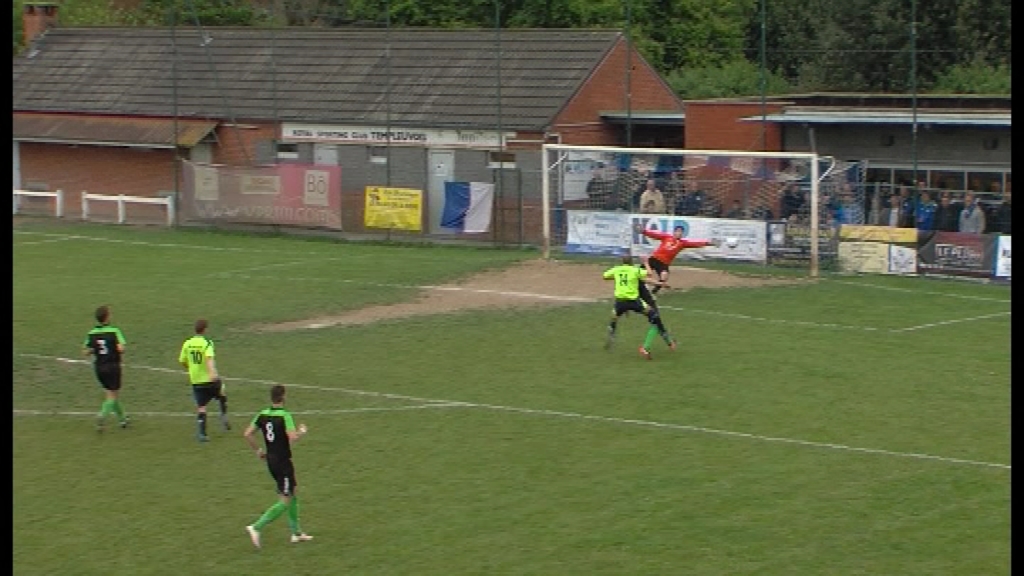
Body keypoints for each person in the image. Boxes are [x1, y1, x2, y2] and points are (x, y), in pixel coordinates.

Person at [244, 385, 313, 548]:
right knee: (285, 499)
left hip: (271, 460)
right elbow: (292, 438)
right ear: (283, 397)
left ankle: (296, 533)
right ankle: (256, 527)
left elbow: (247, 434)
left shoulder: (263, 414)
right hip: (283, 462)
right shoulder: (285, 416)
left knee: (293, 491)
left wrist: (258, 451)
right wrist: (301, 431)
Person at [602, 255, 669, 360]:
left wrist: (616, 277)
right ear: (631, 262)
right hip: (634, 301)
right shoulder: (635, 270)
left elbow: (605, 276)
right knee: (654, 317)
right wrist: (646, 262)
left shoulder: (616, 269)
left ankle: (612, 329)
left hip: (620, 302)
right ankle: (646, 347)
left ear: (622, 262)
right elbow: (649, 274)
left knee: (615, 315)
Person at [178, 319, 229, 442]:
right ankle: (223, 416)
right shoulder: (207, 343)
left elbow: (182, 361)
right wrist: (213, 375)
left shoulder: (187, 343)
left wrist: (190, 368)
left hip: (196, 380)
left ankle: (202, 434)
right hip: (209, 379)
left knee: (201, 407)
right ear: (205, 330)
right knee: (222, 392)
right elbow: (209, 359)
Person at [636, 223, 717, 296]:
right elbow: (655, 235)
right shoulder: (667, 237)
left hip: (664, 263)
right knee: (639, 272)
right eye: (678, 231)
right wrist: (643, 231)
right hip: (654, 258)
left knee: (664, 276)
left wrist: (708, 243)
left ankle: (653, 292)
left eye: (681, 232)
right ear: (674, 232)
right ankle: (636, 286)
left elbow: (696, 244)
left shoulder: (683, 243)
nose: (679, 233)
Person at [82, 305, 129, 432]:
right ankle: (102, 415)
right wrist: (118, 348)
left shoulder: (91, 333)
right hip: (113, 366)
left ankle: (123, 419)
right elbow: (121, 349)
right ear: (107, 317)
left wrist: (94, 349)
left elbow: (85, 352)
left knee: (111, 393)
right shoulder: (114, 331)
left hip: (99, 367)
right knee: (112, 395)